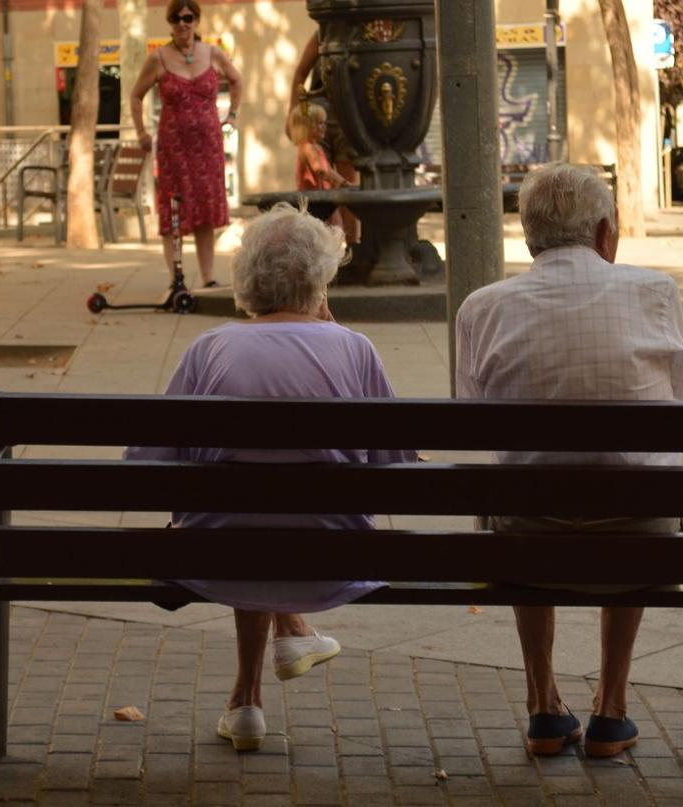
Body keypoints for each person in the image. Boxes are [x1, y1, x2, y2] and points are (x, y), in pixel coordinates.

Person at [125, 204, 417, 752]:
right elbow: (395, 468)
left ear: (248, 278)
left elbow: (147, 464)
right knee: (269, 512)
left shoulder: (209, 348)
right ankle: (267, 668)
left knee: (242, 513)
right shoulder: (355, 348)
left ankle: (247, 699)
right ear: (320, 280)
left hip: (214, 553)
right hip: (334, 554)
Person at [455, 163, 683, 758]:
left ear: (529, 237)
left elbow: (469, 412)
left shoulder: (480, 308)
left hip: (525, 535)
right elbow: (680, 398)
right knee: (638, 476)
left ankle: (543, 706)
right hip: (642, 533)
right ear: (605, 234)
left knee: (519, 489)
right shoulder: (656, 292)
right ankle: (611, 710)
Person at [130, 0, 241, 290]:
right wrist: (141, 132)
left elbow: (237, 80)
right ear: (170, 23)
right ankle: (175, 277)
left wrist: (232, 116)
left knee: (205, 210)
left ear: (196, 20)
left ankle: (208, 276)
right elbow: (135, 95)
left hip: (208, 145)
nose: (182, 23)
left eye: (188, 17)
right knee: (174, 209)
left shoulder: (213, 53)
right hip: (173, 148)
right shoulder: (159, 58)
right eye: (176, 18)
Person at [286, 31, 360, 244]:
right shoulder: (323, 34)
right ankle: (329, 250)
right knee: (330, 207)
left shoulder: (361, 32)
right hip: (321, 109)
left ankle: (353, 246)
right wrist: (293, 112)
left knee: (346, 194)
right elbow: (301, 72)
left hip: (349, 116)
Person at [291, 101, 354, 192]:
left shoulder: (317, 147)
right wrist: (336, 182)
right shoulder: (308, 148)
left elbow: (328, 169)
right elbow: (320, 169)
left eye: (324, 123)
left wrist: (343, 182)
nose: (324, 126)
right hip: (311, 196)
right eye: (319, 123)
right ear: (306, 126)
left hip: (319, 192)